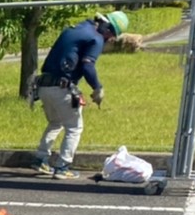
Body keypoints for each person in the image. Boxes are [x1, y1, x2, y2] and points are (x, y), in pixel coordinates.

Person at [31, 10, 129, 180]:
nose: (110, 39)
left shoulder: (75, 29)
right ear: (107, 28)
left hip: (44, 86)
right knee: (74, 127)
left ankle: (40, 159)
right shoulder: (96, 38)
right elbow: (87, 65)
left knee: (55, 122)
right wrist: (97, 88)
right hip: (62, 87)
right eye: (112, 35)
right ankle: (62, 167)